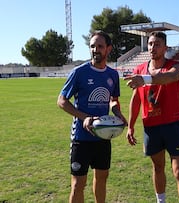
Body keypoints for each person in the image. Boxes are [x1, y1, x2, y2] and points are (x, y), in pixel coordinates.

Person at [57, 30, 127, 203]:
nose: (96, 50)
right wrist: (84, 117)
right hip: (81, 138)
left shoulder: (112, 75)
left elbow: (113, 100)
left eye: (100, 46)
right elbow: (62, 101)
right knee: (78, 184)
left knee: (102, 179)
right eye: (92, 46)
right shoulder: (79, 72)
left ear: (108, 49)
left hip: (103, 136)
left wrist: (118, 114)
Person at [124, 31, 179, 203]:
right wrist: (131, 126)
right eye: (150, 44)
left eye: (157, 44)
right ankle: (160, 201)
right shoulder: (140, 70)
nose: (153, 47)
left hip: (173, 125)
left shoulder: (175, 66)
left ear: (165, 47)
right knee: (157, 167)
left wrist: (146, 79)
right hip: (151, 126)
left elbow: (170, 77)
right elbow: (136, 100)